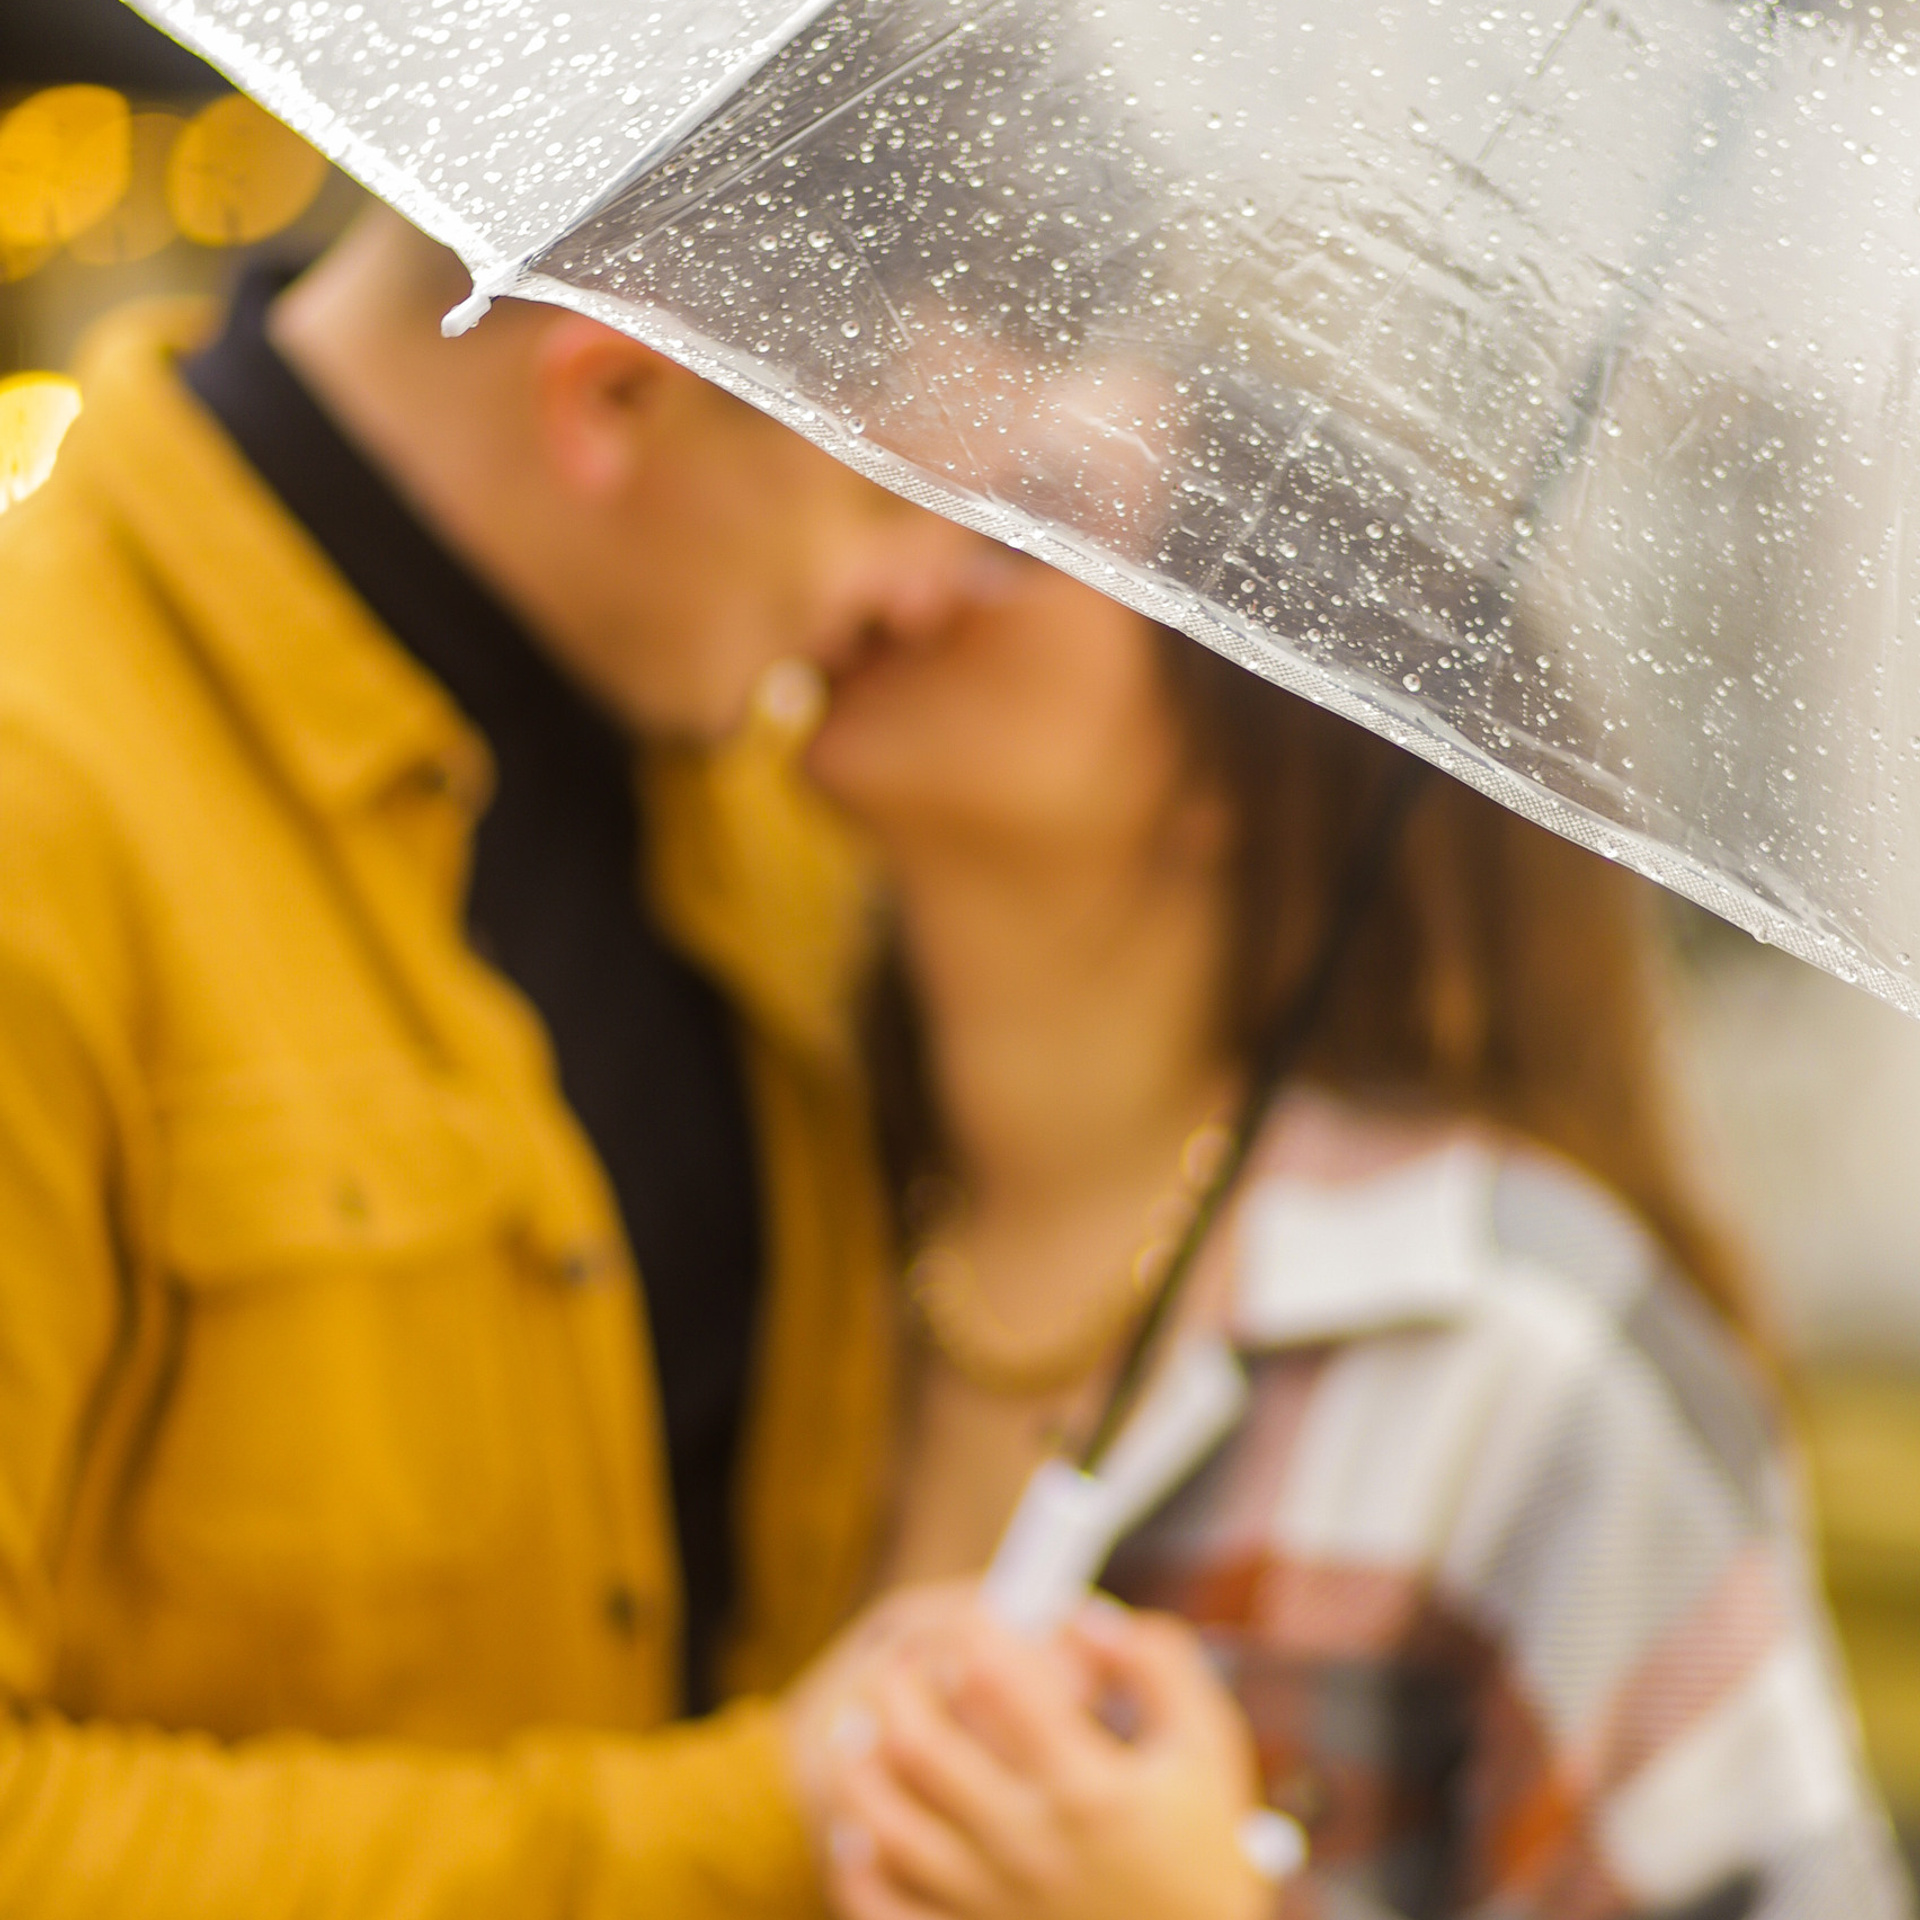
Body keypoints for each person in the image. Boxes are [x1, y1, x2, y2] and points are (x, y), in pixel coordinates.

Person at [0, 201, 1008, 1915]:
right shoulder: (46, 811)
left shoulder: (749, 805)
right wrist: (742, 1830)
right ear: (606, 401)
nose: (912, 586)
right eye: (875, 488)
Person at [799, 552, 1912, 1918]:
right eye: (916, 509)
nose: (899, 582)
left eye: (1032, 535)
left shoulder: (1515, 1344)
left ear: (1245, 735)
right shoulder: (758, 1221)